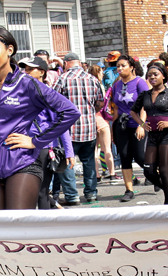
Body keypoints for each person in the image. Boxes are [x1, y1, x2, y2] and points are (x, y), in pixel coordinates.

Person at [0, 27, 79, 211]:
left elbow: (69, 111)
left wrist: (36, 141)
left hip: (24, 163)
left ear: (9, 50)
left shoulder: (27, 83)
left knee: (19, 226)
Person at [129, 63, 168, 204]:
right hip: (152, 136)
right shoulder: (145, 95)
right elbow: (133, 111)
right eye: (149, 75)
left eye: (155, 74)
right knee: (148, 171)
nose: (152, 77)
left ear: (163, 76)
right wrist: (141, 123)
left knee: (164, 171)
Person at [19, 57, 74, 209]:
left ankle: (45, 228)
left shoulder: (48, 94)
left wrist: (69, 151)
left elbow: (61, 123)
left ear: (41, 72)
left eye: (30, 69)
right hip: (22, 147)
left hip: (43, 147)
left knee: (41, 191)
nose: (26, 72)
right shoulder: (21, 93)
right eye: (25, 69)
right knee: (28, 190)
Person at [53, 52, 103, 204]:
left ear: (67, 63)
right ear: (79, 63)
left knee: (67, 162)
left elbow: (53, 100)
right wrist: (90, 110)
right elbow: (100, 102)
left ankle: (72, 195)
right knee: (89, 162)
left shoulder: (63, 79)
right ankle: (91, 193)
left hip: (68, 130)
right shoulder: (92, 79)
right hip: (89, 128)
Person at [109, 54, 150, 202]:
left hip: (137, 124)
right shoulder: (116, 85)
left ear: (132, 67)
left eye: (123, 66)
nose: (119, 69)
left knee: (140, 157)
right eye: (118, 66)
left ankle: (155, 174)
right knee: (124, 157)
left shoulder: (140, 82)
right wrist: (113, 130)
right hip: (121, 125)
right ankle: (129, 190)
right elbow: (115, 109)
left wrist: (141, 125)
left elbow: (145, 106)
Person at [88, 64, 116, 183]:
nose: (103, 74)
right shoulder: (99, 86)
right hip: (101, 118)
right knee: (106, 148)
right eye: (100, 72)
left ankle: (97, 175)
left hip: (90, 119)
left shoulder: (88, 85)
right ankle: (112, 173)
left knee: (94, 150)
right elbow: (102, 103)